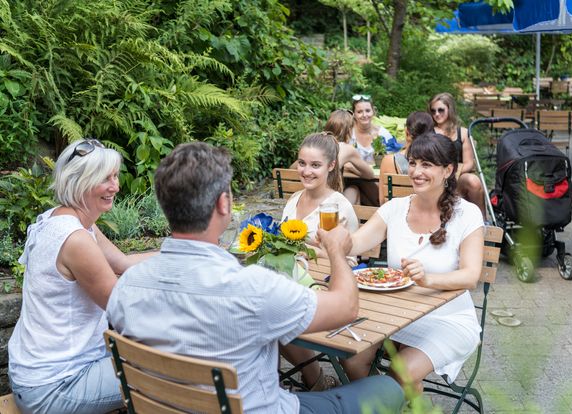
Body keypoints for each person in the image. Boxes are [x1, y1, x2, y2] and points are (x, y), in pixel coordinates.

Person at [106, 142, 405, 414]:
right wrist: (337, 251)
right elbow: (346, 308)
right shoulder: (254, 288)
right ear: (224, 204)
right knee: (388, 388)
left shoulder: (126, 286)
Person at [8, 139, 156, 414]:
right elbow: (125, 309)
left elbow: (124, 263)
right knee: (174, 369)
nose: (116, 186)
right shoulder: (75, 240)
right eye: (105, 179)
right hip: (55, 387)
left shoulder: (62, 220)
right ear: (81, 183)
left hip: (37, 373)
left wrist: (181, 251)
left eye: (115, 176)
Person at [342, 133, 484, 394]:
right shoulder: (395, 208)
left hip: (448, 318)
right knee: (351, 358)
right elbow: (356, 243)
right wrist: (332, 240)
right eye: (413, 163)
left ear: (448, 170)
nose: (416, 172)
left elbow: (471, 276)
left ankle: (402, 401)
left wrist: (428, 279)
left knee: (402, 373)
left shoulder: (467, 214)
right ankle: (389, 405)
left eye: (427, 165)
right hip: (397, 313)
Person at [281, 132, 359, 391]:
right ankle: (314, 381)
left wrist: (307, 249)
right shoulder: (293, 200)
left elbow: (348, 259)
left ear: (331, 166)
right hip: (293, 284)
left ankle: (315, 382)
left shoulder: (338, 206)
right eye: (302, 163)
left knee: (276, 321)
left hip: (325, 290)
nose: (306, 171)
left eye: (315, 165)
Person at [429, 92, 486, 217]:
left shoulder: (462, 133)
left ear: (450, 109)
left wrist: (452, 173)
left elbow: (469, 163)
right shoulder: (429, 132)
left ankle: (483, 221)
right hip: (435, 177)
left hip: (457, 176)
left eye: (441, 110)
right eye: (433, 111)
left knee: (473, 181)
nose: (436, 114)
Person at [379, 111, 434, 203]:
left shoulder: (389, 161)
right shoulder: (437, 162)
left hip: (395, 215)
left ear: (407, 132)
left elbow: (382, 201)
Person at [324, 109, 376, 205]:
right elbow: (370, 174)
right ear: (349, 130)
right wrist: (352, 168)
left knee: (353, 189)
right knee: (354, 189)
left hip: (309, 196)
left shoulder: (316, 143)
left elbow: (292, 168)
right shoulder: (346, 148)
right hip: (329, 202)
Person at [350, 94, 402, 165]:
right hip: (350, 175)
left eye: (368, 111)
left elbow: (393, 161)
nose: (364, 115)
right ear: (354, 114)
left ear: (373, 111)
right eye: (359, 112)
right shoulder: (349, 134)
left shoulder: (383, 134)